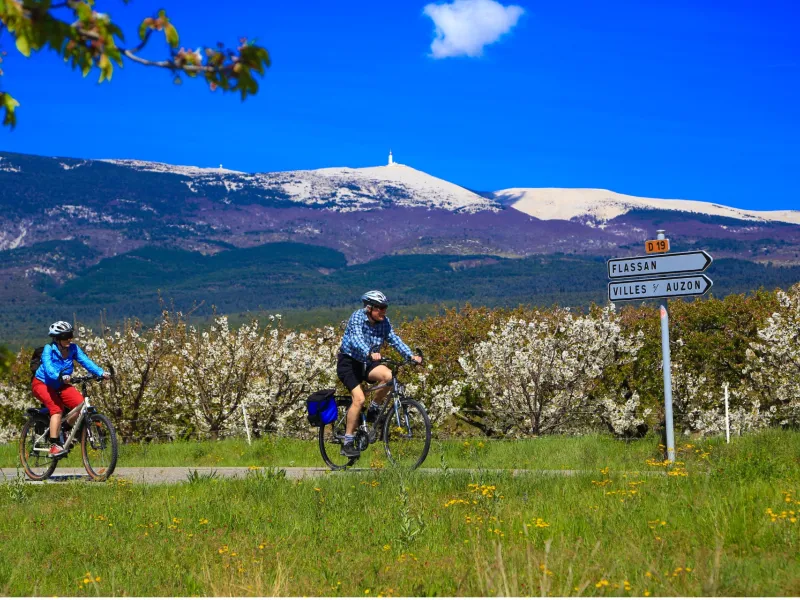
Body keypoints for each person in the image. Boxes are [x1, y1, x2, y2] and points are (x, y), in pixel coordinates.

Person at [336, 291, 421, 457]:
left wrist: (410, 356)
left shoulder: (384, 322)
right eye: (380, 308)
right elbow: (356, 339)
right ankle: (347, 442)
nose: (383, 311)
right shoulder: (357, 318)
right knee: (359, 399)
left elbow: (394, 339)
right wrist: (369, 351)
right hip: (349, 362)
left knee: (389, 377)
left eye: (385, 308)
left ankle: (374, 408)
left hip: (368, 363)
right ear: (369, 308)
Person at [32, 321, 109, 458]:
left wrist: (100, 372)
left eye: (70, 335)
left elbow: (86, 361)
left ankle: (64, 428)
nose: (69, 339)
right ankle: (54, 445)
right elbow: (49, 368)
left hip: (60, 384)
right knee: (57, 409)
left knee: (80, 405)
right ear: (57, 338)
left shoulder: (73, 348)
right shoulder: (48, 349)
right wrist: (59, 375)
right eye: (66, 336)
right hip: (42, 384)